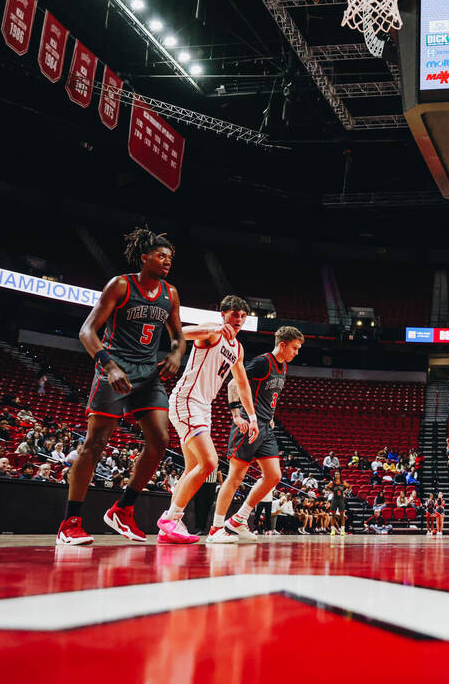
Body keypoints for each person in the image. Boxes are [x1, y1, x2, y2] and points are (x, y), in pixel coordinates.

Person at [57, 228, 187, 546]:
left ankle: (123, 509)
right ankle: (70, 522)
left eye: (170, 256)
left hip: (148, 374)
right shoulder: (121, 284)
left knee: (159, 441)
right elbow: (87, 331)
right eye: (161, 255)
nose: (167, 260)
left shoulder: (171, 293)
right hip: (115, 369)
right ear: (145, 258)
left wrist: (175, 352)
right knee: (95, 443)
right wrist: (108, 364)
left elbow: (179, 335)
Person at [158, 295, 259, 544]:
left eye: (243, 317)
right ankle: (171, 518)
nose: (238, 320)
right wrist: (211, 327)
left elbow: (243, 383)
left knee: (193, 468)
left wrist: (253, 416)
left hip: (204, 407)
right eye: (234, 314)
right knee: (209, 463)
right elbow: (181, 332)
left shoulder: (237, 348)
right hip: (187, 400)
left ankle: (167, 528)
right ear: (223, 314)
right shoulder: (212, 332)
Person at [208, 326, 304, 543]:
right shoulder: (262, 362)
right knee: (235, 477)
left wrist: (270, 417)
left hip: (266, 427)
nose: (296, 352)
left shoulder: (284, 366)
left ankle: (238, 519)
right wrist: (236, 414)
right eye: (294, 348)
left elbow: (270, 396)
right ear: (282, 345)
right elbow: (234, 382)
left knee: (274, 476)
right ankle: (215, 529)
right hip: (248, 424)